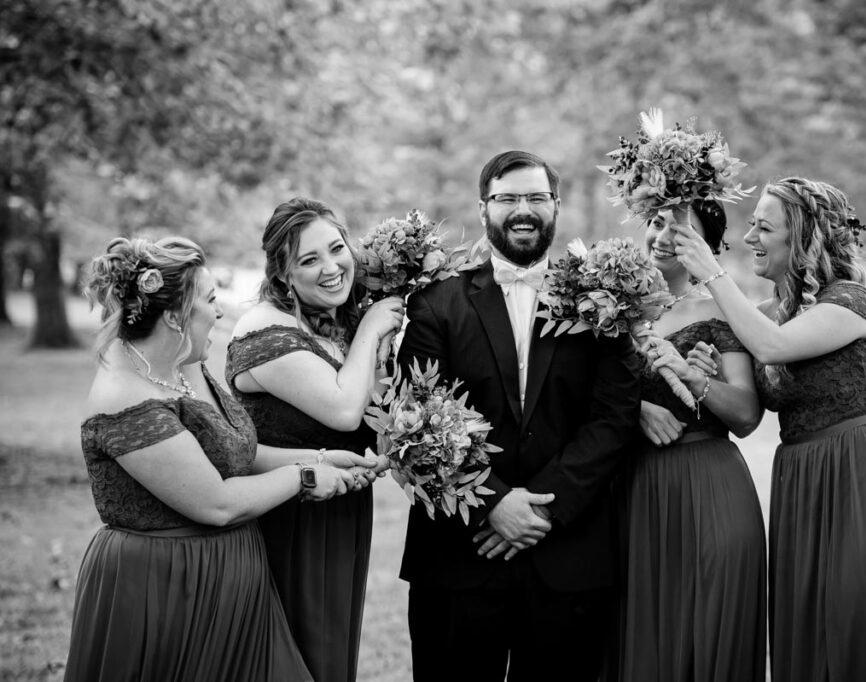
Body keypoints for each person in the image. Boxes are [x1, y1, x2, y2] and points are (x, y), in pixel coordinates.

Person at [674, 177, 866, 681]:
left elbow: (773, 347)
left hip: (862, 476)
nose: (750, 237)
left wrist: (711, 272)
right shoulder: (764, 316)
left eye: (764, 227)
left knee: (858, 621)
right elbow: (752, 379)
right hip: (801, 480)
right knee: (810, 630)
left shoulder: (851, 301)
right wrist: (706, 370)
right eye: (750, 224)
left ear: (802, 237)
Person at [396, 150, 641, 682]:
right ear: (484, 209)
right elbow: (416, 418)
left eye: (535, 198)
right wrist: (494, 503)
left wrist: (543, 510)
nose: (522, 210)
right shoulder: (436, 302)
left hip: (568, 557)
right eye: (507, 199)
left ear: (556, 206)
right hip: (458, 557)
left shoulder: (605, 299)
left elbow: (614, 417)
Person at [67, 236, 356, 682]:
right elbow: (216, 502)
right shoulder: (125, 399)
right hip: (164, 589)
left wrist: (323, 457)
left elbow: (237, 452)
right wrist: (305, 477)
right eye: (210, 300)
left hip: (237, 579)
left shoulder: (185, 364)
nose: (220, 312)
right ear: (174, 316)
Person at [226, 198, 404, 681]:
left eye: (336, 248)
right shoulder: (265, 330)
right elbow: (345, 411)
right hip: (289, 517)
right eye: (309, 260)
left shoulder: (327, 323)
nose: (331, 268)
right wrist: (371, 328)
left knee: (330, 656)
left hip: (340, 511)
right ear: (282, 274)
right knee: (296, 660)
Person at [603, 201, 767, 682]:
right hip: (632, 490)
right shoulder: (607, 308)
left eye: (680, 229)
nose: (661, 236)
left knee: (708, 628)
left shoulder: (722, 309)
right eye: (656, 223)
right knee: (640, 632)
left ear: (707, 246)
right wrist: (632, 409)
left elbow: (747, 415)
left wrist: (696, 383)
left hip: (706, 486)